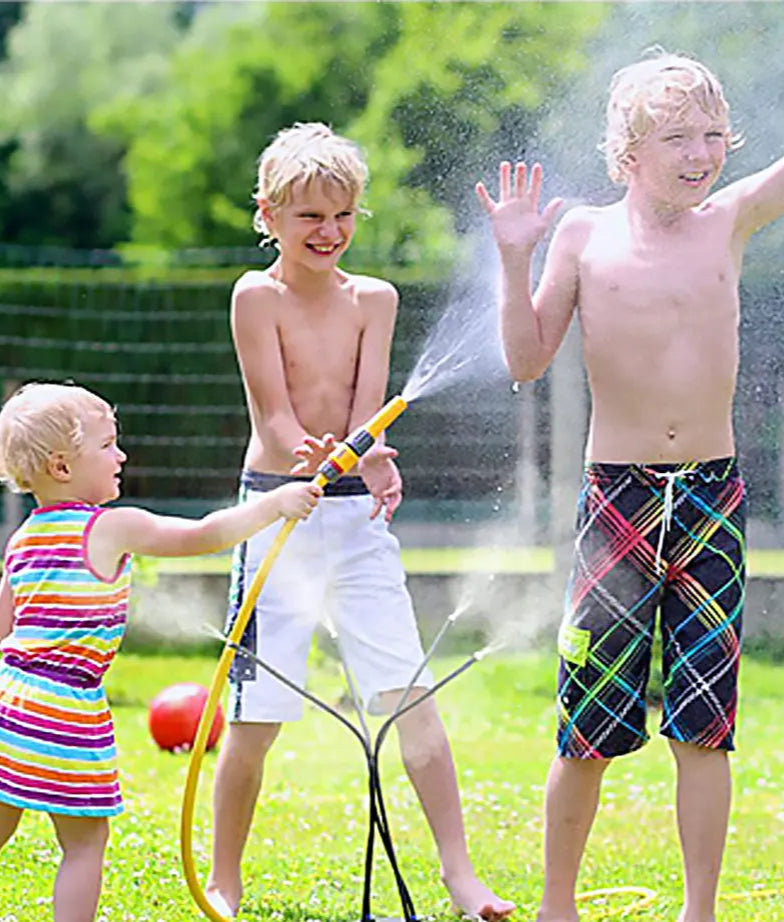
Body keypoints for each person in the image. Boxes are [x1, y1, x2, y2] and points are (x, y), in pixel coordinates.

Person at [476, 3, 784, 921]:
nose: (701, 151)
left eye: (714, 134)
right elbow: (524, 361)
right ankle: (557, 906)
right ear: (626, 153)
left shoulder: (732, 219)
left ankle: (698, 910)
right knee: (586, 727)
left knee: (706, 731)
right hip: (618, 503)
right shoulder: (585, 236)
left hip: (712, 498)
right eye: (678, 136)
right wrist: (514, 262)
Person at [205, 122, 515, 921]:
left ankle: (460, 875)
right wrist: (306, 456)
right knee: (257, 716)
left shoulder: (375, 298)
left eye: (343, 215)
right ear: (268, 215)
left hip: (352, 522)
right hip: (276, 515)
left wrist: (368, 455)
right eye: (309, 217)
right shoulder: (255, 295)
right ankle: (225, 880)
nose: (330, 232)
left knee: (409, 697)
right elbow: (273, 418)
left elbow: (368, 411)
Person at [0, 381, 320, 922]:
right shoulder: (111, 526)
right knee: (84, 844)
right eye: (108, 445)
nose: (122, 455)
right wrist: (274, 503)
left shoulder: (25, 535)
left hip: (7, 696)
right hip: (66, 705)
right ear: (62, 467)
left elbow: (1, 623)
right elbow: (202, 534)